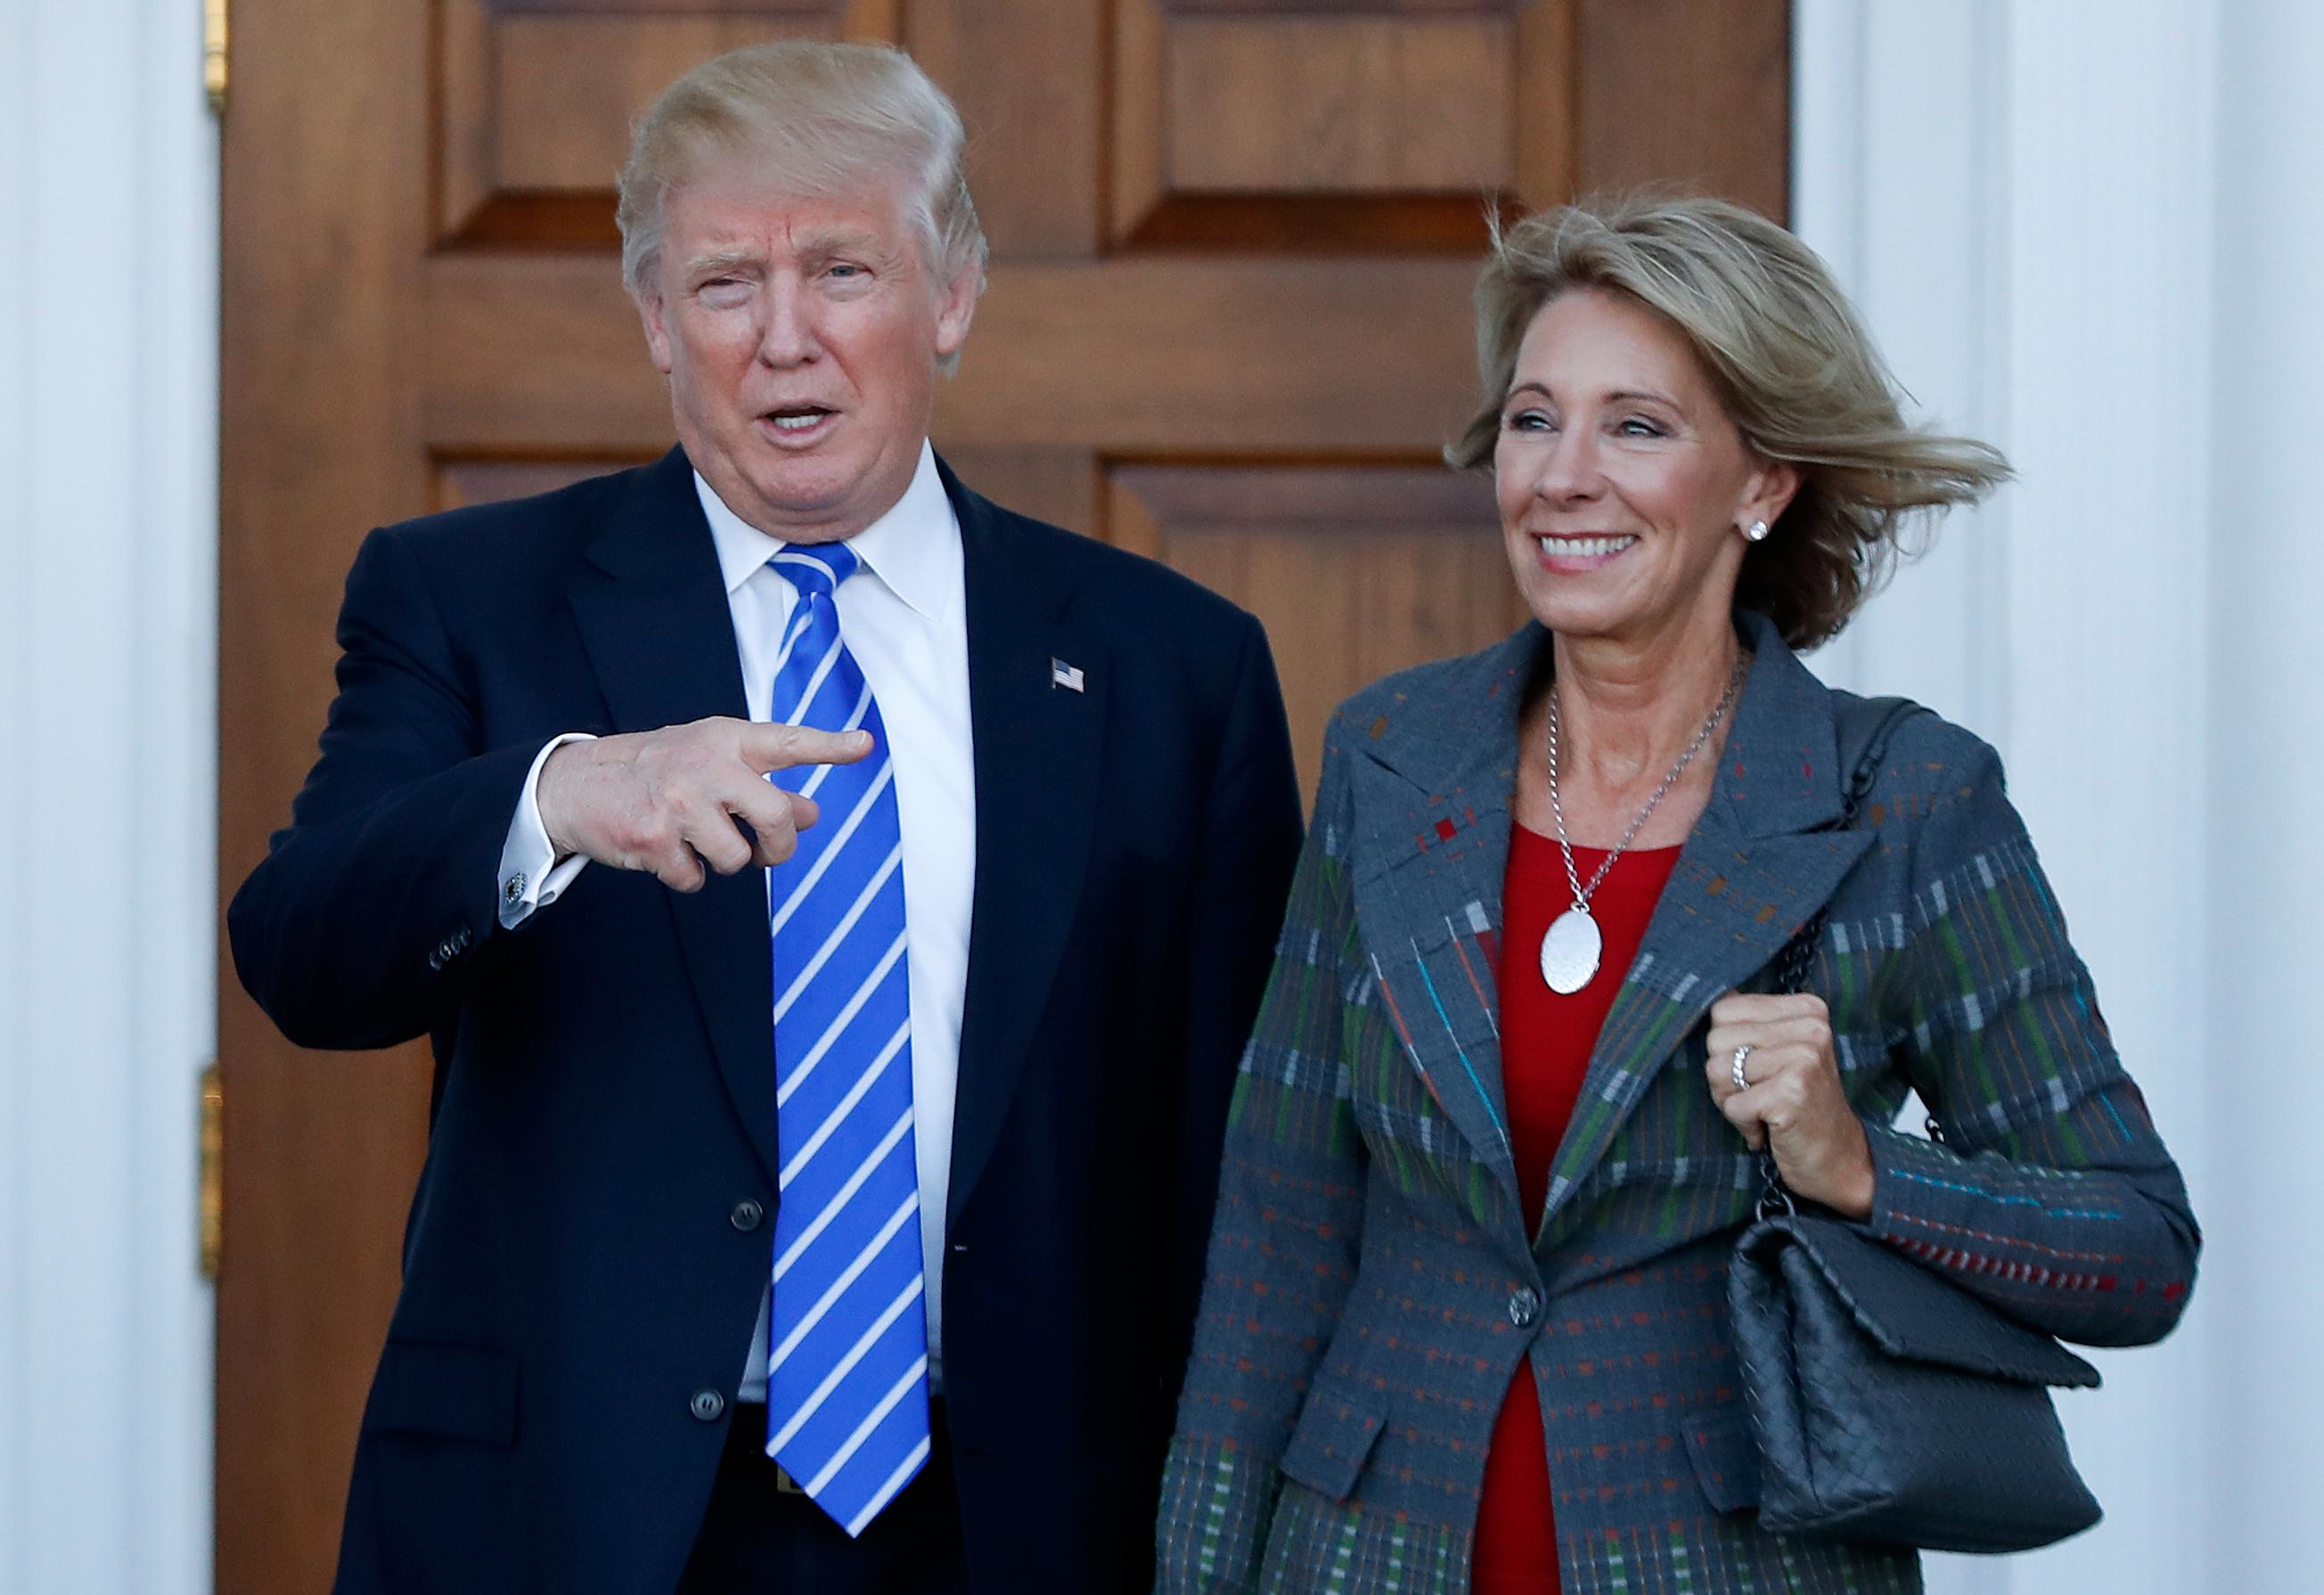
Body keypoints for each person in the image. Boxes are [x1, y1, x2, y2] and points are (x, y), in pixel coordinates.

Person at [228, 41, 1302, 1595]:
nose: (784, 338)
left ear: (953, 297)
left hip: (1024, 1519)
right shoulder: (470, 601)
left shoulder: (1170, 664)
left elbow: (1240, 1171)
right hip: (584, 1517)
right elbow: (303, 948)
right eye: (727, 283)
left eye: (844, 269)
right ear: (658, 322)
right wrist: (557, 797)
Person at [1155, 194, 2199, 1595]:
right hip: (1365, 1555)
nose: (1563, 476)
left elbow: (2138, 1246)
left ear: (1762, 483)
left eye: (1636, 427)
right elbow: (1281, 1235)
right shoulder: (1389, 758)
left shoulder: (1904, 800)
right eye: (1534, 420)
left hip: (1729, 1561)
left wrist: (1862, 1166)